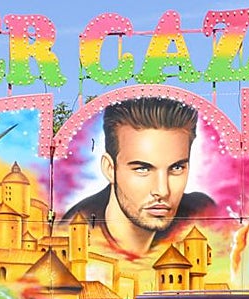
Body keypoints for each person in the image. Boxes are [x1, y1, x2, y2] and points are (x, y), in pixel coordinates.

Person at [57, 96, 214, 258]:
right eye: (142, 169)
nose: (162, 191)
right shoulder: (73, 230)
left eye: (176, 168)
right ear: (110, 169)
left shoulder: (202, 213)